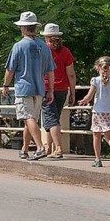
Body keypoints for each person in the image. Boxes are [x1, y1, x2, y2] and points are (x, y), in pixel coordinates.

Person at [1, 12, 55, 161]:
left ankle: (40, 147)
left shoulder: (19, 46)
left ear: (23, 28)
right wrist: (51, 90)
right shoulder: (44, 46)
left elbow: (10, 70)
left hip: (24, 88)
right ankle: (24, 149)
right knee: (30, 120)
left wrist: (5, 85)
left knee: (27, 117)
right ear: (35, 27)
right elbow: (51, 71)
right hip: (39, 89)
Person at [78, 56, 110, 168]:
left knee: (96, 135)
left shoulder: (95, 80)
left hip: (98, 112)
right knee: (109, 137)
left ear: (98, 68)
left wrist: (84, 100)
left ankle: (98, 159)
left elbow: (89, 96)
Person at [40, 23, 76, 158]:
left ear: (46, 37)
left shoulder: (42, 50)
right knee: (53, 118)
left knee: (51, 118)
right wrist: (72, 92)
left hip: (46, 88)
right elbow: (71, 74)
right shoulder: (66, 52)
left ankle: (58, 148)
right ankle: (48, 147)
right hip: (62, 89)